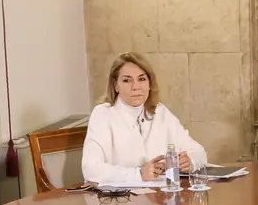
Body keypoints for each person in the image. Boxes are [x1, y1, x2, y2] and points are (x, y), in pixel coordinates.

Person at [82, 52, 207, 185]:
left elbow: (199, 152)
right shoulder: (103, 114)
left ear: (149, 83)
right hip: (119, 201)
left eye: (142, 79)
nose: (136, 87)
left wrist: (190, 162)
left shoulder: (160, 111)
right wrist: (138, 174)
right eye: (127, 80)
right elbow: (91, 169)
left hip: (158, 199)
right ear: (116, 85)